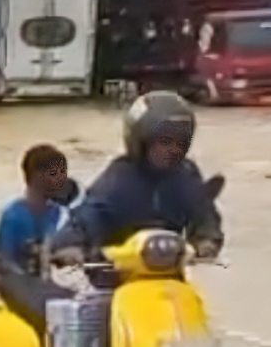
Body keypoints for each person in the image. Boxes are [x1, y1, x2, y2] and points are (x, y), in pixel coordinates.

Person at [51, 91, 224, 265]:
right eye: (164, 142)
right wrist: (69, 245)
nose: (173, 150)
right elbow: (87, 217)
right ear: (140, 141)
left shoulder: (187, 175)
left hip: (169, 273)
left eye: (181, 144)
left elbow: (204, 216)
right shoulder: (119, 178)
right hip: (113, 275)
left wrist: (207, 242)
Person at [0, 145, 70, 278]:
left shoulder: (58, 213)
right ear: (35, 177)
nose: (62, 178)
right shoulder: (13, 217)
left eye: (63, 172)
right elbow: (4, 262)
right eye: (54, 174)